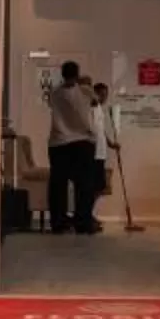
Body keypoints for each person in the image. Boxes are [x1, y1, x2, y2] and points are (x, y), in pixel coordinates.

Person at [46, 61, 102, 234]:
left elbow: (52, 101)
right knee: (84, 184)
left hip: (58, 142)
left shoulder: (54, 93)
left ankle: (58, 222)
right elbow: (96, 102)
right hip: (82, 142)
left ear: (62, 74)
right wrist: (85, 83)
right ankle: (82, 223)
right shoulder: (85, 90)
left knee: (58, 184)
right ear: (77, 74)